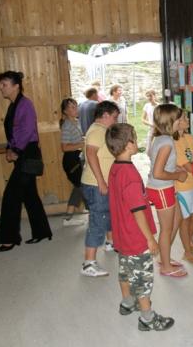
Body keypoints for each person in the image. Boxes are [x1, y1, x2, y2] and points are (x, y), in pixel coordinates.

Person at [106, 123, 174, 331]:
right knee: (142, 277)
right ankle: (147, 317)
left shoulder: (115, 167)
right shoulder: (131, 176)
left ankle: (127, 302)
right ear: (128, 145)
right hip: (135, 236)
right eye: (134, 139)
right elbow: (137, 211)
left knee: (126, 269)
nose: (137, 142)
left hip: (121, 234)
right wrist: (150, 239)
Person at [0, 71, 52, 252]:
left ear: (16, 86)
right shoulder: (13, 105)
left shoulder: (25, 104)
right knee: (29, 196)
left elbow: (27, 131)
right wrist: (8, 148)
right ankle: (42, 231)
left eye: (4, 84)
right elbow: (13, 132)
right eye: (1, 84)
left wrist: (16, 151)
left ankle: (8, 239)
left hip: (27, 153)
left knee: (11, 197)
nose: (1, 88)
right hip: (21, 153)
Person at [146, 104, 188, 278]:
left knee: (177, 218)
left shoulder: (163, 138)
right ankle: (165, 267)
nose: (183, 120)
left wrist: (174, 167)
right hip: (161, 189)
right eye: (181, 118)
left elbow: (158, 162)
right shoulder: (166, 143)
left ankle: (164, 258)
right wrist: (178, 175)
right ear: (172, 121)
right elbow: (158, 172)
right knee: (166, 228)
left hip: (164, 187)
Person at [80, 101, 119, 277]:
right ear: (105, 116)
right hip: (96, 184)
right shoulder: (97, 130)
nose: (116, 120)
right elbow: (90, 154)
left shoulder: (102, 130)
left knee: (108, 213)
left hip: (100, 183)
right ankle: (89, 263)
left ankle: (110, 243)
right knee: (97, 220)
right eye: (114, 117)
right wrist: (101, 181)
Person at [173, 109, 193, 265]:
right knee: (185, 220)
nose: (187, 119)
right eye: (184, 118)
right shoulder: (174, 141)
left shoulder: (189, 137)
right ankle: (187, 252)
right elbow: (187, 166)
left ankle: (189, 240)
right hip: (182, 186)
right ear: (176, 122)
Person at [59, 98, 86, 226]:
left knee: (79, 186)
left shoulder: (76, 121)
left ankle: (68, 217)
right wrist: (82, 143)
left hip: (77, 158)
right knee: (83, 186)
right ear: (65, 111)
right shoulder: (67, 125)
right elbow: (64, 147)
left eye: (76, 106)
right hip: (71, 161)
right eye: (72, 107)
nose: (75, 109)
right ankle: (95, 213)